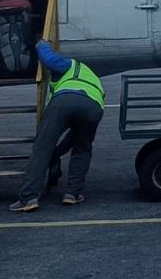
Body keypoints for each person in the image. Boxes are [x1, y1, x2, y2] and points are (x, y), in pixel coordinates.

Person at [10, 40, 102, 212]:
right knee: (82, 149)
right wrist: (57, 153)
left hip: (64, 101)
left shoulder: (71, 65)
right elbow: (72, 139)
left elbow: (50, 60)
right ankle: (72, 194)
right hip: (94, 108)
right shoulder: (92, 78)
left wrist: (41, 44)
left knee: (42, 148)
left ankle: (29, 197)